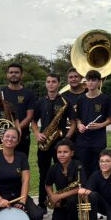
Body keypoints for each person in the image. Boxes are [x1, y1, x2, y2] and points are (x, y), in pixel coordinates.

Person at [32, 73, 71, 210]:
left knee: (63, 173)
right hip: (44, 142)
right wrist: (37, 134)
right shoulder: (40, 102)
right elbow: (33, 121)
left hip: (60, 143)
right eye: (48, 82)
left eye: (54, 81)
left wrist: (66, 138)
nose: (51, 84)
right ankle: (42, 203)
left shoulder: (65, 102)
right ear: (45, 84)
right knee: (43, 173)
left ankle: (63, 202)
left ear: (59, 83)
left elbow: (73, 122)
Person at [44, 140, 87, 220]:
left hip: (76, 198)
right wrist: (52, 196)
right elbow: (48, 185)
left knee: (72, 200)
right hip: (60, 202)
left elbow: (80, 187)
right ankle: (68, 218)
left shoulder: (78, 166)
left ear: (72, 153)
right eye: (59, 152)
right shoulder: (53, 168)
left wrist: (59, 196)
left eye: (65, 152)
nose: (62, 155)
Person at [73, 70, 111, 177]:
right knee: (83, 168)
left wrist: (100, 125)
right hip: (83, 140)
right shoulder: (81, 98)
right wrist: (79, 125)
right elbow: (77, 118)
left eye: (93, 80)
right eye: (88, 80)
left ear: (99, 82)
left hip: (98, 140)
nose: (90, 82)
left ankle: (95, 187)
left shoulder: (105, 99)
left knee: (97, 168)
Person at [2, 63, 37, 158]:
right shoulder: (1, 93)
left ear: (22, 75)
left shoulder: (29, 93)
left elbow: (29, 116)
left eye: (16, 72)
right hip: (4, 136)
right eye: (11, 72)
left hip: (23, 136)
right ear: (7, 75)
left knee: (21, 163)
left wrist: (16, 130)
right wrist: (9, 133)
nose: (13, 74)